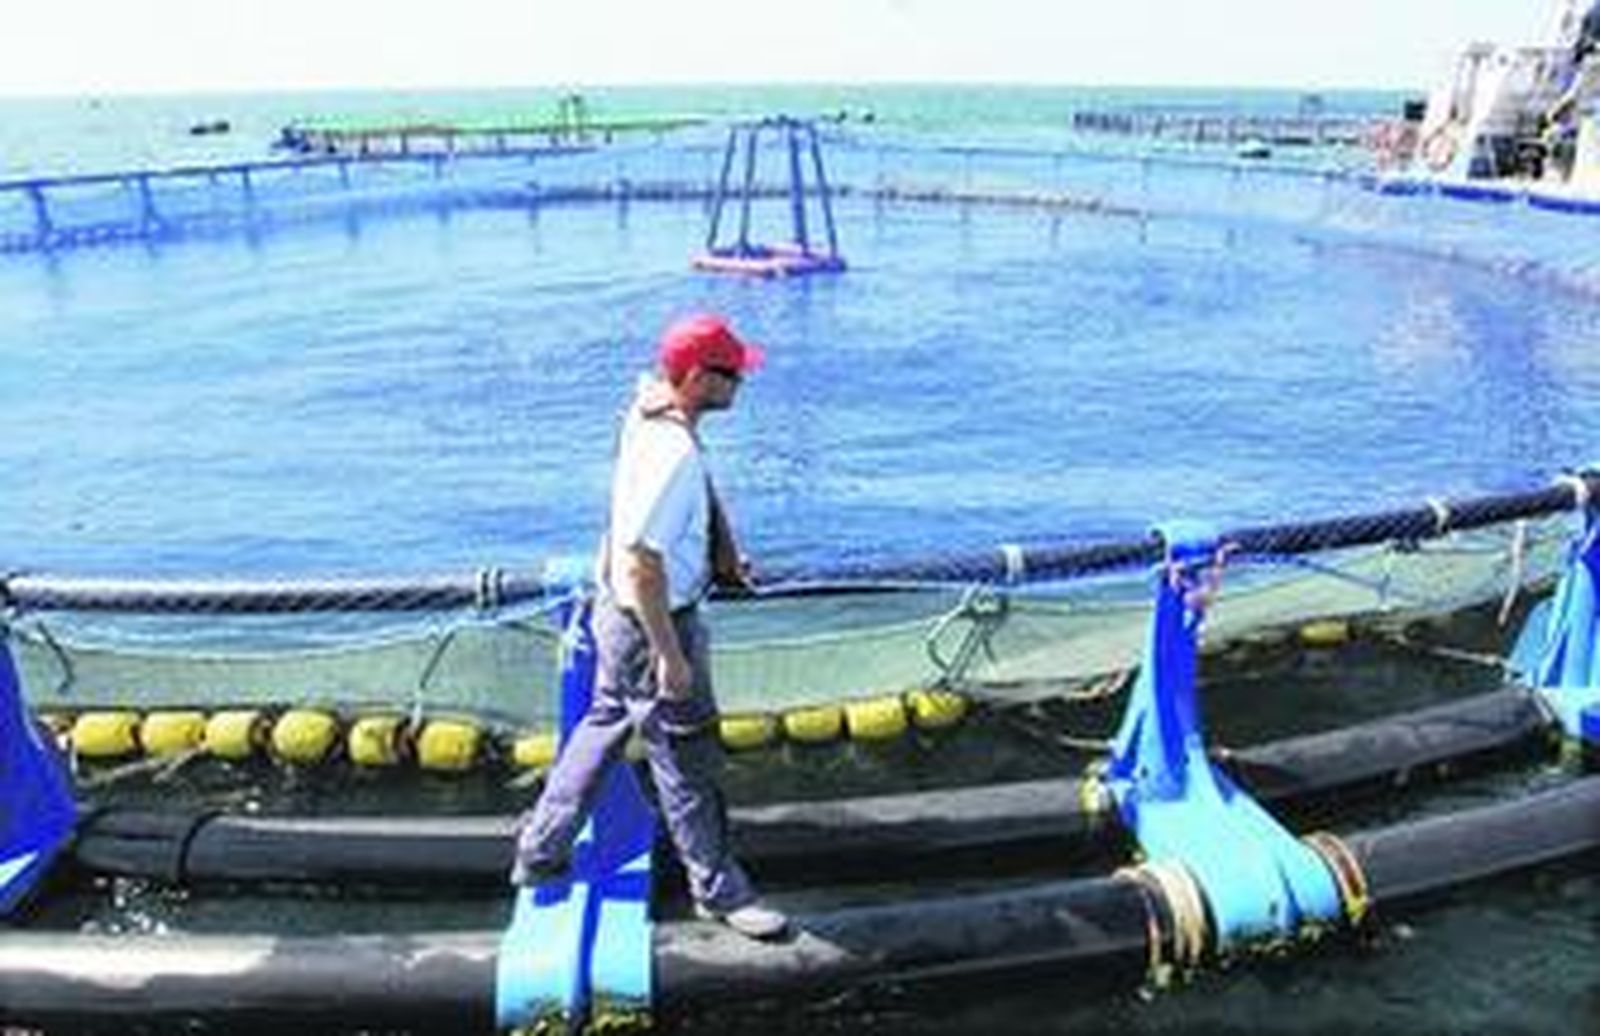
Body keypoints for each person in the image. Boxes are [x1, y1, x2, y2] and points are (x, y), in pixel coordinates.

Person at [509, 312, 790, 941]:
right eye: (729, 374)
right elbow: (643, 563)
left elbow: (661, 517)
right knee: (686, 761)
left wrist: (722, 551)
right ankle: (718, 889)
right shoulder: (672, 454)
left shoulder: (649, 411)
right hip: (651, 623)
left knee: (603, 725)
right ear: (695, 379)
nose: (740, 384)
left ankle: (540, 848)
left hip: (612, 613)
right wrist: (670, 654)